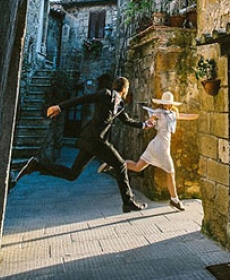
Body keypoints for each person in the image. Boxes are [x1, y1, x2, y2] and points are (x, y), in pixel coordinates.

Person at [12, 76, 153, 213]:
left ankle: (36, 165)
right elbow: (83, 99)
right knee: (121, 165)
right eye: (127, 89)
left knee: (72, 174)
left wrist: (144, 124)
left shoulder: (120, 105)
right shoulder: (105, 94)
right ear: (124, 89)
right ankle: (128, 202)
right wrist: (60, 107)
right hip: (94, 139)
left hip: (93, 142)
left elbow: (126, 120)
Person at [108, 90, 198, 211]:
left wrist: (200, 115)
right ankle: (175, 200)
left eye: (169, 103)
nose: (168, 105)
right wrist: (151, 122)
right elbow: (152, 119)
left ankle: (114, 164)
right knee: (171, 172)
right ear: (162, 103)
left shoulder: (172, 114)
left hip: (155, 146)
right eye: (166, 103)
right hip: (160, 148)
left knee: (137, 167)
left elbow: (185, 116)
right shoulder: (159, 112)